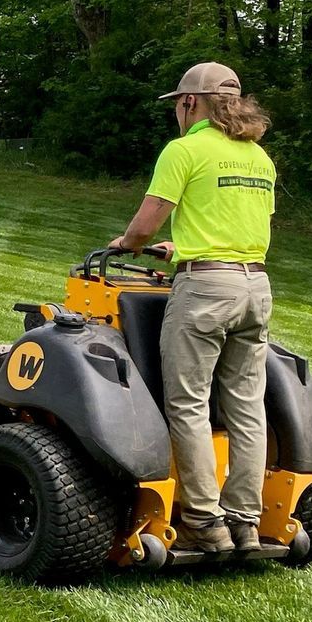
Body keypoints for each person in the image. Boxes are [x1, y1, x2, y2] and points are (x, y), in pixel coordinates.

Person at [110, 62, 279, 554]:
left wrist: (135, 243)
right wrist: (179, 246)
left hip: (206, 291)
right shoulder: (258, 158)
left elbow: (143, 226)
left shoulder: (184, 150)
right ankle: (246, 521)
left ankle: (203, 521)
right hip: (256, 287)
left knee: (189, 403)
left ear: (188, 103)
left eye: (178, 106)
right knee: (247, 408)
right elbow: (239, 224)